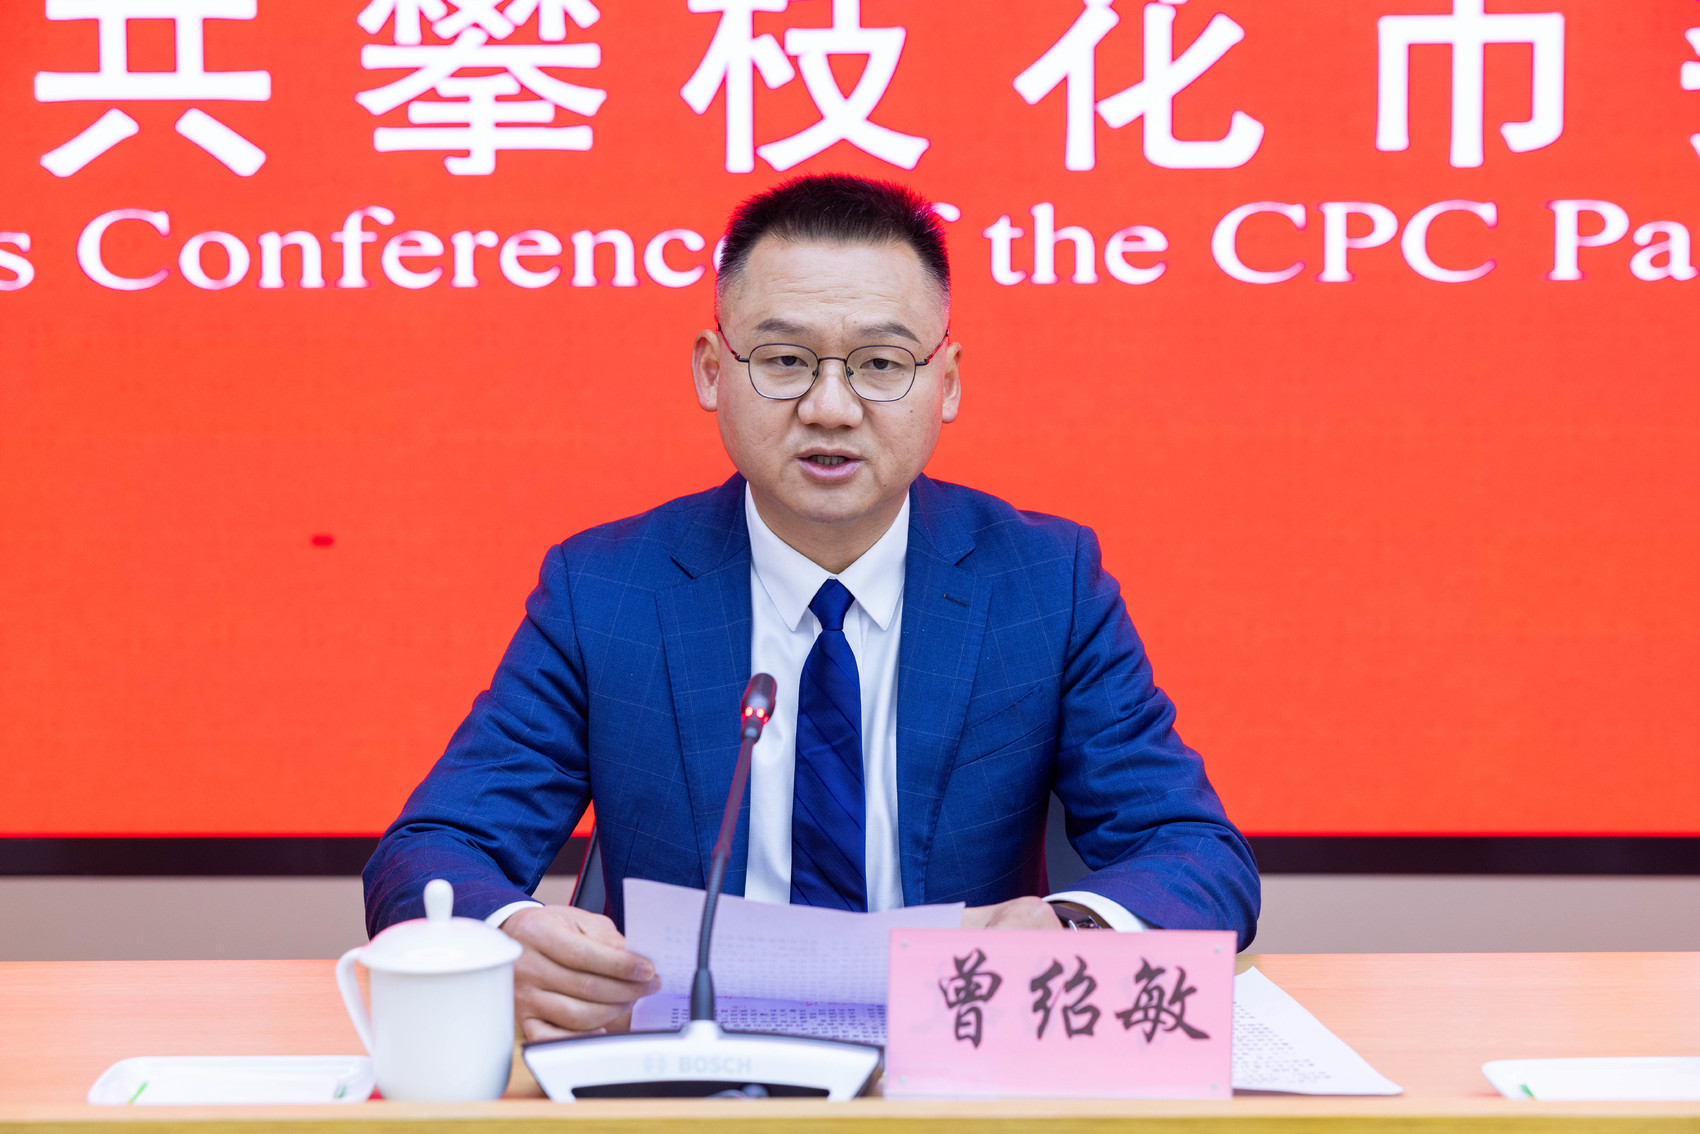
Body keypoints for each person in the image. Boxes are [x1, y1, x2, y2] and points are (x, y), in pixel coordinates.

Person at [364, 174, 1259, 1041]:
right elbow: (429, 851)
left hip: (953, 1062)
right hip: (689, 1074)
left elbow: (1198, 855)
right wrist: (505, 937)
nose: (831, 409)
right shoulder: (604, 590)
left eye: (882, 364)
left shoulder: (1044, 583)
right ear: (712, 371)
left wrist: (1073, 930)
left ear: (946, 383)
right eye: (786, 360)